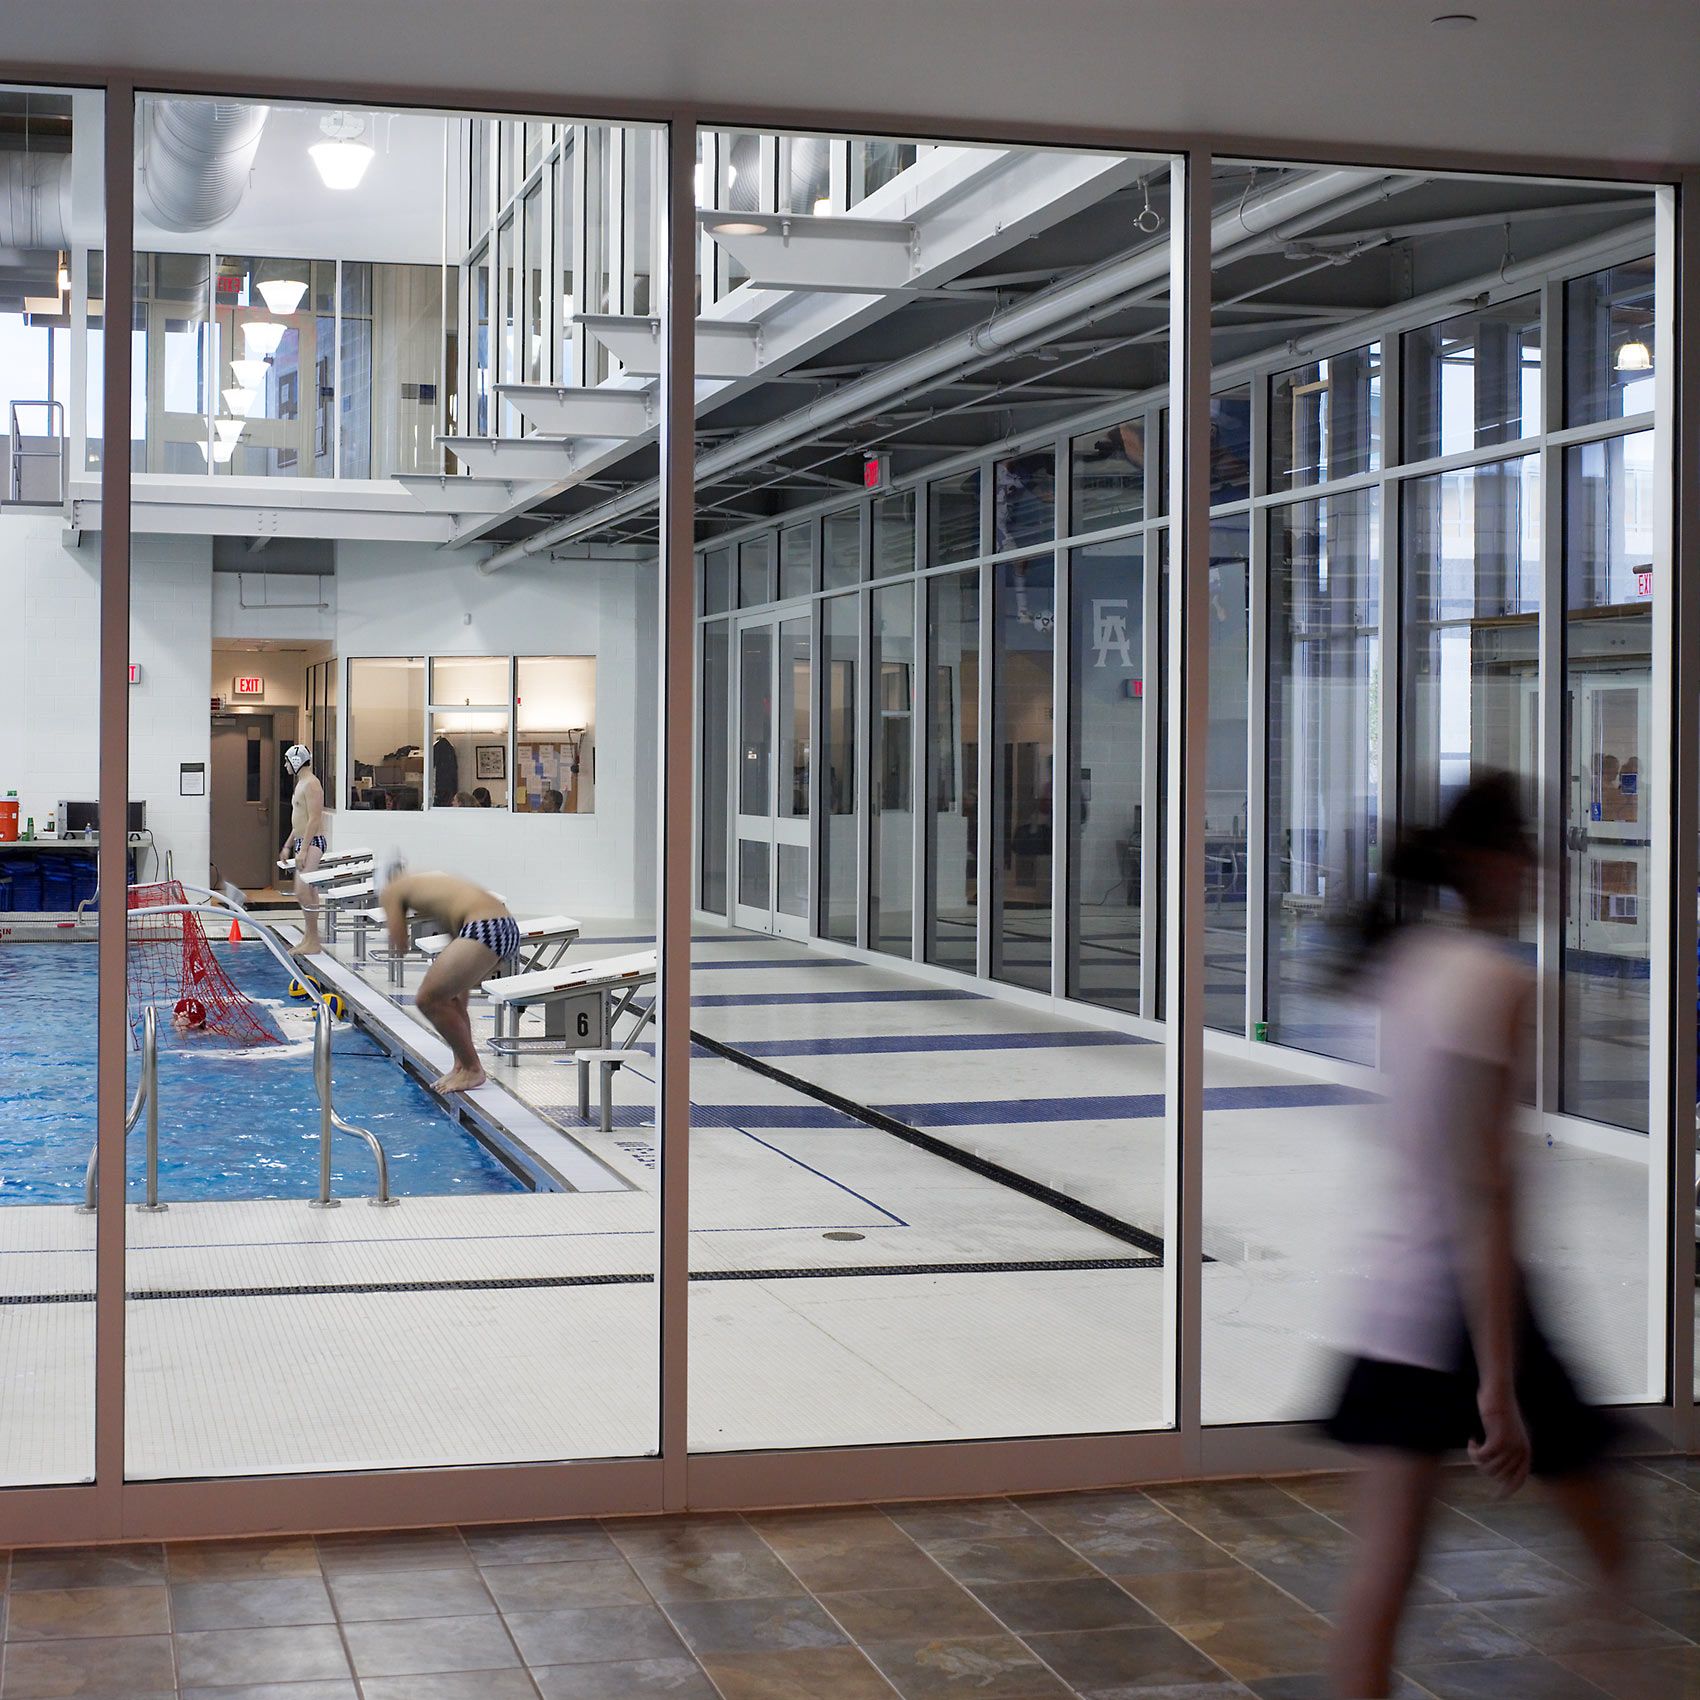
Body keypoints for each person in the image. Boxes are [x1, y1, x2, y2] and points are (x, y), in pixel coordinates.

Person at [1325, 772, 1626, 1700]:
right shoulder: (1497, 982)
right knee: (1611, 1556)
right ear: (1485, 861)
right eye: (1525, 849)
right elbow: (1485, 1190)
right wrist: (1498, 1385)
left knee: (1383, 1576)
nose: (1538, 868)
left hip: (1397, 1297)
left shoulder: (1407, 962)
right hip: (1473, 1306)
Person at [376, 858, 517, 1093]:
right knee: (450, 999)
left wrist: (392, 917)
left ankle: (472, 1069)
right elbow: (454, 938)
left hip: (486, 926)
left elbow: (399, 945)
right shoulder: (431, 886)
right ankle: (462, 1066)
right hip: (505, 927)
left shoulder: (394, 889)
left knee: (427, 1000)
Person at [277, 744, 326, 954]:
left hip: (313, 842)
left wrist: (304, 850)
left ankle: (313, 941)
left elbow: (314, 819)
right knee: (308, 892)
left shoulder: (312, 784)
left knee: (302, 890)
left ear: (296, 762)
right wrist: (288, 845)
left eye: (287, 761)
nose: (285, 765)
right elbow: (299, 821)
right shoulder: (302, 783)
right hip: (303, 841)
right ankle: (309, 938)